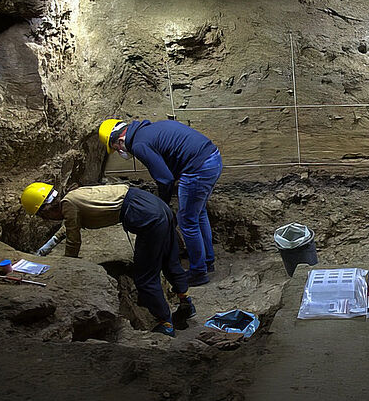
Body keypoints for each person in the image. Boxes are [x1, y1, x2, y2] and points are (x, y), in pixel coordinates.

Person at [21, 182, 196, 337]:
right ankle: (185, 302)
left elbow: (74, 240)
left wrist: (68, 266)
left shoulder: (69, 205)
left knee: (145, 277)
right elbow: (69, 226)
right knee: (169, 260)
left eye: (43, 217)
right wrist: (44, 249)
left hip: (148, 217)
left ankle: (165, 323)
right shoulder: (73, 196)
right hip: (156, 205)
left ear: (46, 210)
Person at [99, 119, 222, 287]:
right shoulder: (148, 130)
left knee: (187, 220)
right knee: (198, 214)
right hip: (212, 158)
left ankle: (198, 272)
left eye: (116, 148)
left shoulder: (139, 145)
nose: (120, 151)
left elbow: (165, 179)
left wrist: (161, 206)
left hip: (197, 168)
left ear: (120, 140)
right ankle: (207, 262)